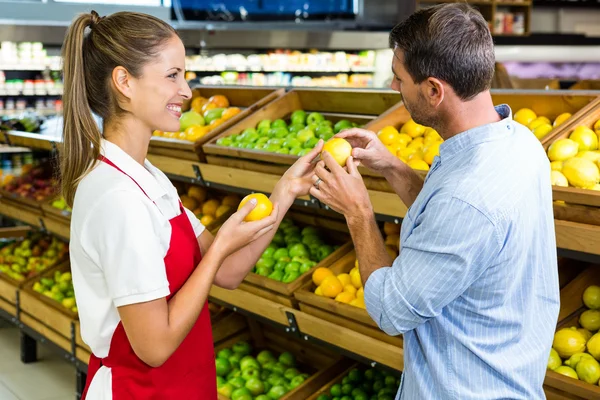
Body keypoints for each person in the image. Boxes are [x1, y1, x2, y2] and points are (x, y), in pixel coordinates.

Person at [61, 11, 323, 399]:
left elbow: (229, 272)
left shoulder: (147, 176)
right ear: (124, 82)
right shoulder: (118, 198)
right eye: (173, 75)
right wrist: (218, 249)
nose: (187, 91)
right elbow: (154, 346)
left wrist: (284, 193)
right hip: (141, 390)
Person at [310, 4, 559, 399]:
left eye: (399, 78)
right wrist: (392, 167)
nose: (394, 88)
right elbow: (452, 219)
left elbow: (392, 311)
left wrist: (357, 212)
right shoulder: (517, 141)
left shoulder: (469, 193)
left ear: (433, 90)